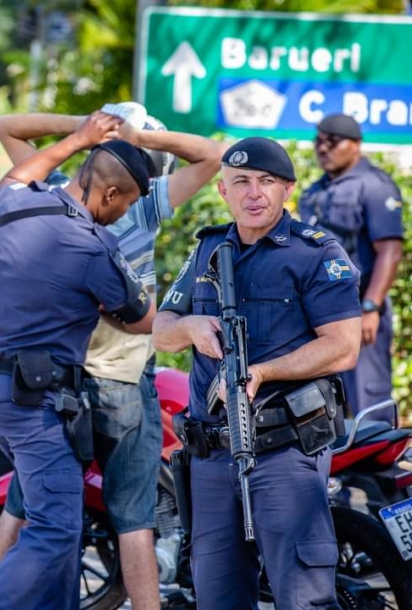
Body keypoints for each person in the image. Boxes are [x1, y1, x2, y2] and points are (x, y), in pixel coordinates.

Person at [0, 110, 228, 609]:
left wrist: (85, 129)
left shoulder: (33, 196)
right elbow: (214, 155)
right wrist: (140, 137)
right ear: (119, 191)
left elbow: (5, 126)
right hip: (116, 378)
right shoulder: (135, 212)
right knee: (133, 518)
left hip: (43, 382)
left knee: (24, 510)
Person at [153, 137, 361, 608]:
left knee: (302, 596)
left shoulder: (314, 253)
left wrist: (263, 372)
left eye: (266, 182)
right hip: (211, 455)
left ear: (287, 188)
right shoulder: (208, 250)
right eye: (240, 182)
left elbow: (343, 347)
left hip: (283, 451)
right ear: (223, 192)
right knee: (217, 596)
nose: (254, 193)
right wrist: (188, 326)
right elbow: (161, 332)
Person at [0, 111, 156, 610]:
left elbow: (14, 155)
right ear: (111, 195)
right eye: (129, 203)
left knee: (59, 526)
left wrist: (82, 133)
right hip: (32, 401)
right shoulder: (94, 246)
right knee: (54, 528)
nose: (125, 214)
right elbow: (141, 319)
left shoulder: (15, 203)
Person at [298, 113, 404, 422]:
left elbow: (390, 252)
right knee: (321, 399)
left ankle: (376, 471)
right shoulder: (314, 191)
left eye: (332, 142)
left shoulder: (374, 186)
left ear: (356, 145)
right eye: (318, 141)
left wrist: (371, 306)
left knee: (367, 397)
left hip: (359, 308)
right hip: (318, 311)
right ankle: (337, 469)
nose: (323, 148)